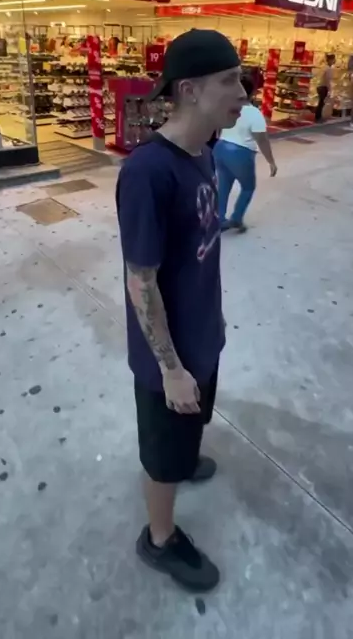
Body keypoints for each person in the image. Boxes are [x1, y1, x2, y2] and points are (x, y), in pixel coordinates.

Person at [116, 29, 245, 592]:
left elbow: (199, 253)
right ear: (189, 90)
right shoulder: (148, 172)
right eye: (230, 81)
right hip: (168, 358)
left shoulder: (206, 153)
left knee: (190, 431)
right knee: (162, 456)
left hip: (202, 337)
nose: (243, 93)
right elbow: (140, 280)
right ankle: (160, 538)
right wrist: (170, 367)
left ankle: (186, 457)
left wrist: (211, 322)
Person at [213, 74, 277, 232]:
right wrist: (271, 161)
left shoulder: (226, 107)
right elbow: (262, 140)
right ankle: (236, 218)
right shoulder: (254, 113)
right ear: (253, 92)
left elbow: (217, 127)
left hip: (220, 148)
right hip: (240, 153)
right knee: (248, 187)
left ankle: (219, 220)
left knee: (223, 186)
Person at [315, 53, 335, 122]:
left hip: (320, 86)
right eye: (333, 60)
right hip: (323, 87)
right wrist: (330, 89)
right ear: (330, 60)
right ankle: (318, 117)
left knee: (321, 102)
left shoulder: (324, 67)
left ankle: (318, 116)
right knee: (321, 103)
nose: (334, 61)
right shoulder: (328, 69)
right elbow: (328, 80)